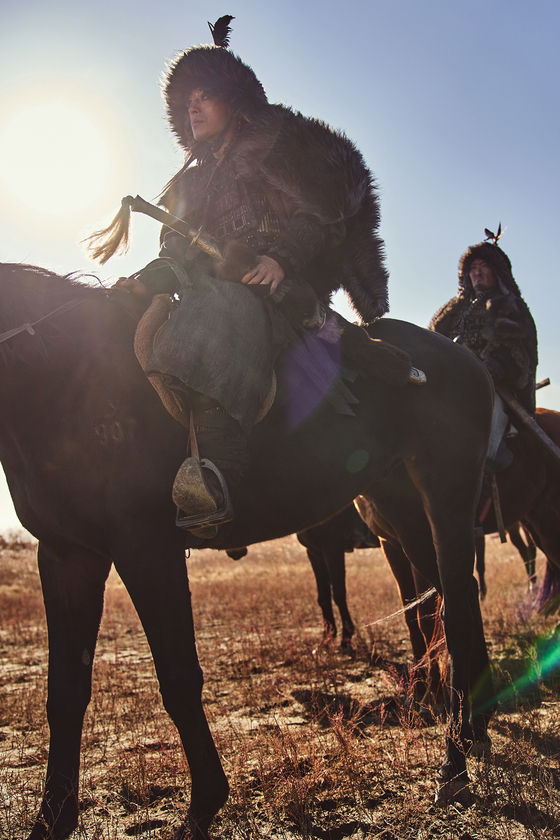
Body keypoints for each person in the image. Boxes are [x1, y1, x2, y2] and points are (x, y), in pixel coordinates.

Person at [88, 17, 408, 537]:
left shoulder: (280, 155)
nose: (193, 107)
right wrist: (145, 282)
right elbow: (177, 250)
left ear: (235, 101)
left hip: (272, 291)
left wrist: (280, 257)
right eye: (187, 99)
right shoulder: (189, 183)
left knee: (220, 311)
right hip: (203, 285)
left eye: (205, 95)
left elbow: (318, 215)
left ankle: (213, 476)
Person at [429, 232, 538, 474]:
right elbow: (433, 342)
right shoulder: (452, 310)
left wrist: (490, 369)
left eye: (485, 266)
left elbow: (521, 356)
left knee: (487, 421)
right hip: (448, 382)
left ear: (497, 272)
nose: (477, 271)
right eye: (473, 267)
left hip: (492, 387)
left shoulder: (511, 306)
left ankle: (479, 484)